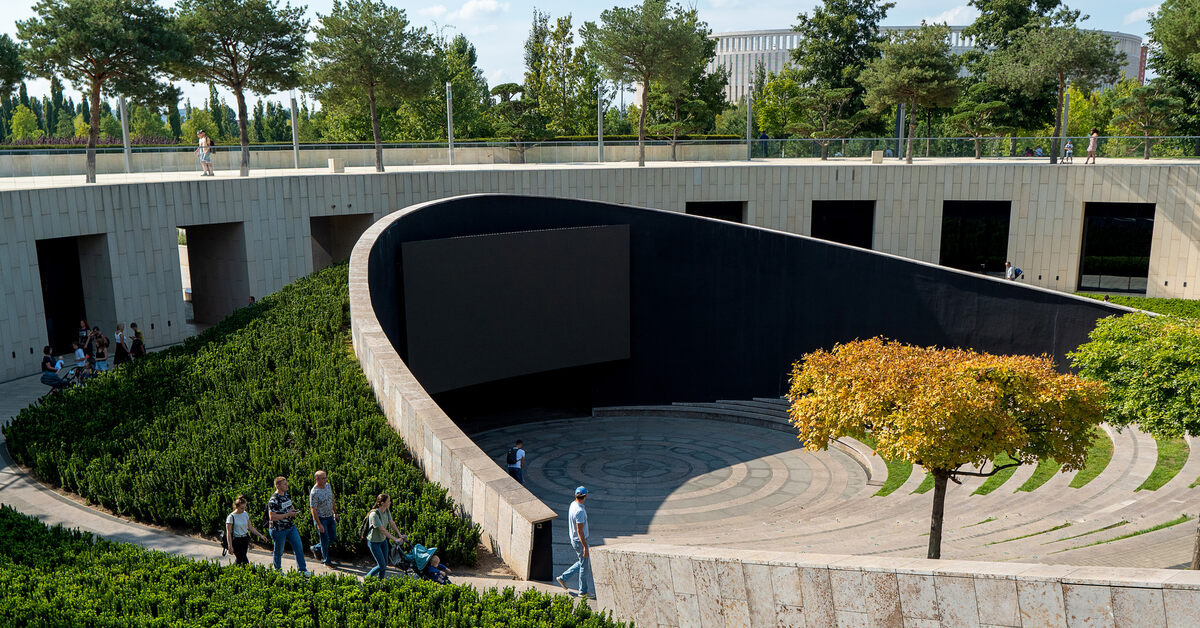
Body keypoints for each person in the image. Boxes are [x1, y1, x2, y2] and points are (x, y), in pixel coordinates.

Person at [267, 476, 308, 574]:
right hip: (278, 530)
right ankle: (278, 571)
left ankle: (302, 570)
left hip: (290, 527)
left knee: (298, 547)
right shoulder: (273, 500)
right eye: (284, 484)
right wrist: (287, 514)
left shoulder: (286, 494)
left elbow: (290, 505)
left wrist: (293, 510)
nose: (287, 485)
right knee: (278, 552)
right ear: (278, 486)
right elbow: (272, 517)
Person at [555, 486, 591, 598]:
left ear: (576, 495)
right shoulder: (580, 511)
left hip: (574, 539)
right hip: (580, 542)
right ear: (585, 496)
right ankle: (583, 592)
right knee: (584, 566)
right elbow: (580, 531)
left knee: (582, 562)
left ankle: (563, 577)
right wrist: (585, 546)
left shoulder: (573, 504)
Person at [365, 493, 406, 579]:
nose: (390, 502)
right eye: (388, 501)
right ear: (382, 503)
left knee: (385, 564)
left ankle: (380, 582)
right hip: (374, 542)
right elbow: (382, 530)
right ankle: (367, 578)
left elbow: (392, 523)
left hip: (383, 541)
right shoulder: (374, 515)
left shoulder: (386, 510)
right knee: (381, 565)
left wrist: (399, 535)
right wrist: (395, 539)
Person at [225, 494, 268, 565]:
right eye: (242, 508)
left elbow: (250, 527)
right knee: (244, 560)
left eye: (245, 507)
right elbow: (228, 533)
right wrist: (230, 545)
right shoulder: (231, 517)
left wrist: (260, 535)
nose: (243, 510)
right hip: (236, 540)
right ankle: (249, 572)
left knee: (240, 560)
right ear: (236, 507)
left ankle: (232, 571)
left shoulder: (245, 514)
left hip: (244, 539)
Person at [308, 470, 338, 566]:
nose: (325, 480)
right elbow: (313, 509)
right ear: (317, 479)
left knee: (333, 537)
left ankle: (316, 548)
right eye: (323, 478)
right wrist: (319, 524)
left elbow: (332, 499)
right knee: (324, 541)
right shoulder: (314, 493)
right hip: (321, 519)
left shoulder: (328, 486)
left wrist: (335, 512)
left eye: (325, 477)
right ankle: (327, 561)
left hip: (329, 516)